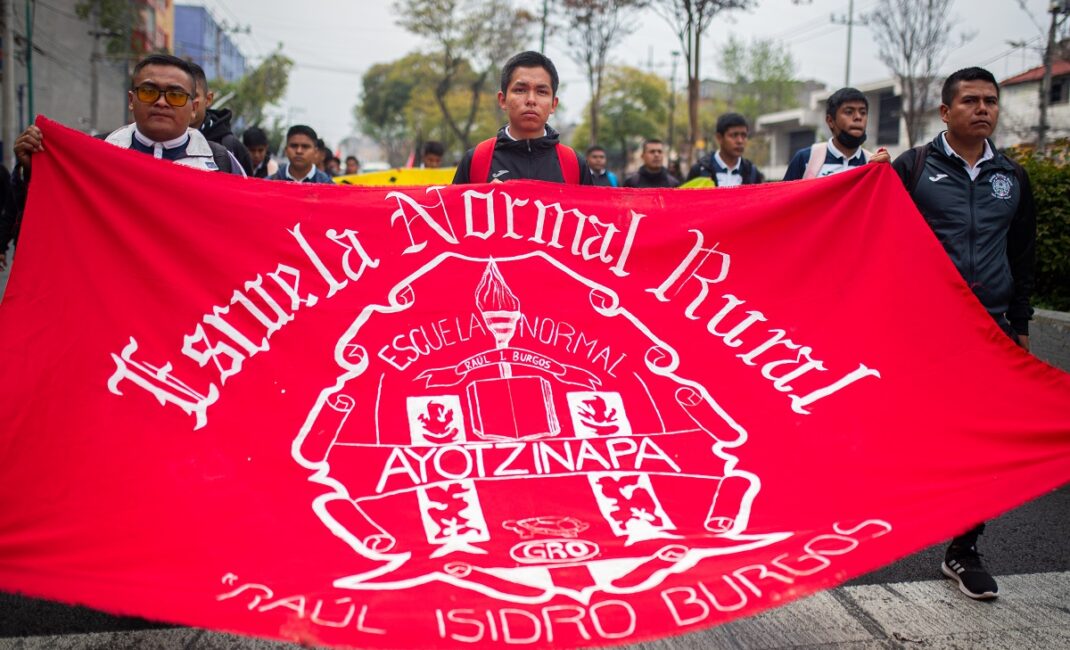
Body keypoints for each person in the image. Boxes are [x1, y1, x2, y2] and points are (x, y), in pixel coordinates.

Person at [890, 67, 1036, 601]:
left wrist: (1018, 325)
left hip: (989, 328)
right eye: (971, 101)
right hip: (920, 328)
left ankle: (963, 549)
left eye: (991, 101)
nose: (983, 109)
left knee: (983, 442)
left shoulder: (1012, 177)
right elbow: (867, 226)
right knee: (910, 432)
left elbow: (1022, 255)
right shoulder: (913, 167)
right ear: (945, 112)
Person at [12, 53, 244, 208]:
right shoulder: (95, 153)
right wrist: (34, 173)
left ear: (194, 107)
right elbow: (55, 213)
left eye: (175, 95)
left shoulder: (221, 161)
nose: (161, 102)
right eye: (149, 91)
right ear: (132, 100)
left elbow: (246, 229)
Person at [453, 51, 592, 185]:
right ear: (502, 100)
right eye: (520, 90)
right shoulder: (476, 161)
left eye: (541, 92)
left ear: (553, 104)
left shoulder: (574, 165)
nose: (531, 100)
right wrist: (485, 198)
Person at [783, 87, 889, 180]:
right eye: (849, 112)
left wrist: (888, 171)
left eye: (863, 112)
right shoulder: (806, 159)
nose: (858, 117)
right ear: (830, 121)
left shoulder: (874, 165)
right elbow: (784, 199)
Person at [189, 62, 254, 175]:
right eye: (176, 95)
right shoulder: (157, 140)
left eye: (192, 96)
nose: (186, 101)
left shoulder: (231, 148)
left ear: (208, 99)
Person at [686, 113, 764, 187]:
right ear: (719, 138)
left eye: (744, 135)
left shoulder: (752, 173)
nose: (740, 141)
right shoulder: (701, 171)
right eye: (734, 135)